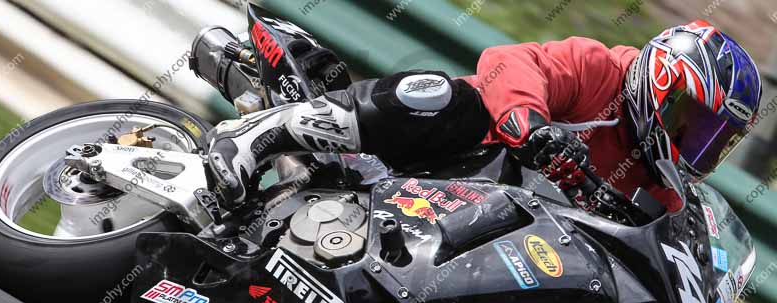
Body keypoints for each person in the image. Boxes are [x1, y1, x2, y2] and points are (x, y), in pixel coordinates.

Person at [206, 20, 762, 212]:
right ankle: (256, 135)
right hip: (447, 158)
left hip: (495, 235)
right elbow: (510, 62)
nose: (697, 142)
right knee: (450, 97)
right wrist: (531, 127)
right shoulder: (602, 70)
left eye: (716, 138)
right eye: (694, 119)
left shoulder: (662, 191)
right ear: (663, 82)